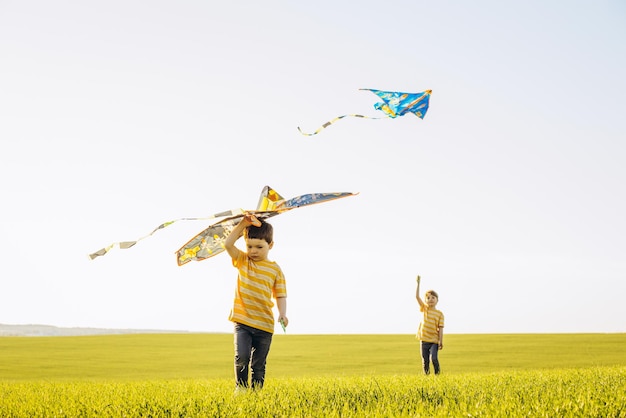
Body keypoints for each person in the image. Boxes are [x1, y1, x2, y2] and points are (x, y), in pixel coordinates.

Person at [223, 213, 288, 390]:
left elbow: (280, 294)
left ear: (270, 245)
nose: (253, 251)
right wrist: (243, 224)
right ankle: (241, 388)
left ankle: (257, 393)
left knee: (258, 365)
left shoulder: (275, 270)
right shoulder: (243, 260)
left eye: (259, 246)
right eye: (249, 246)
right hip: (242, 321)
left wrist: (282, 313)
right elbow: (228, 244)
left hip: (264, 325)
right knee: (242, 357)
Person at [415, 275, 444, 375]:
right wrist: (418, 284)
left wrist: (441, 340)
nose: (430, 299)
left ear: (437, 300)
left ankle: (438, 375)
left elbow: (440, 329)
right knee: (425, 361)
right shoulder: (425, 308)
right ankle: (426, 378)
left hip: (434, 341)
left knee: (434, 358)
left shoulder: (440, 314)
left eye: (433, 297)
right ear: (426, 300)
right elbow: (417, 297)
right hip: (424, 340)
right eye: (428, 298)